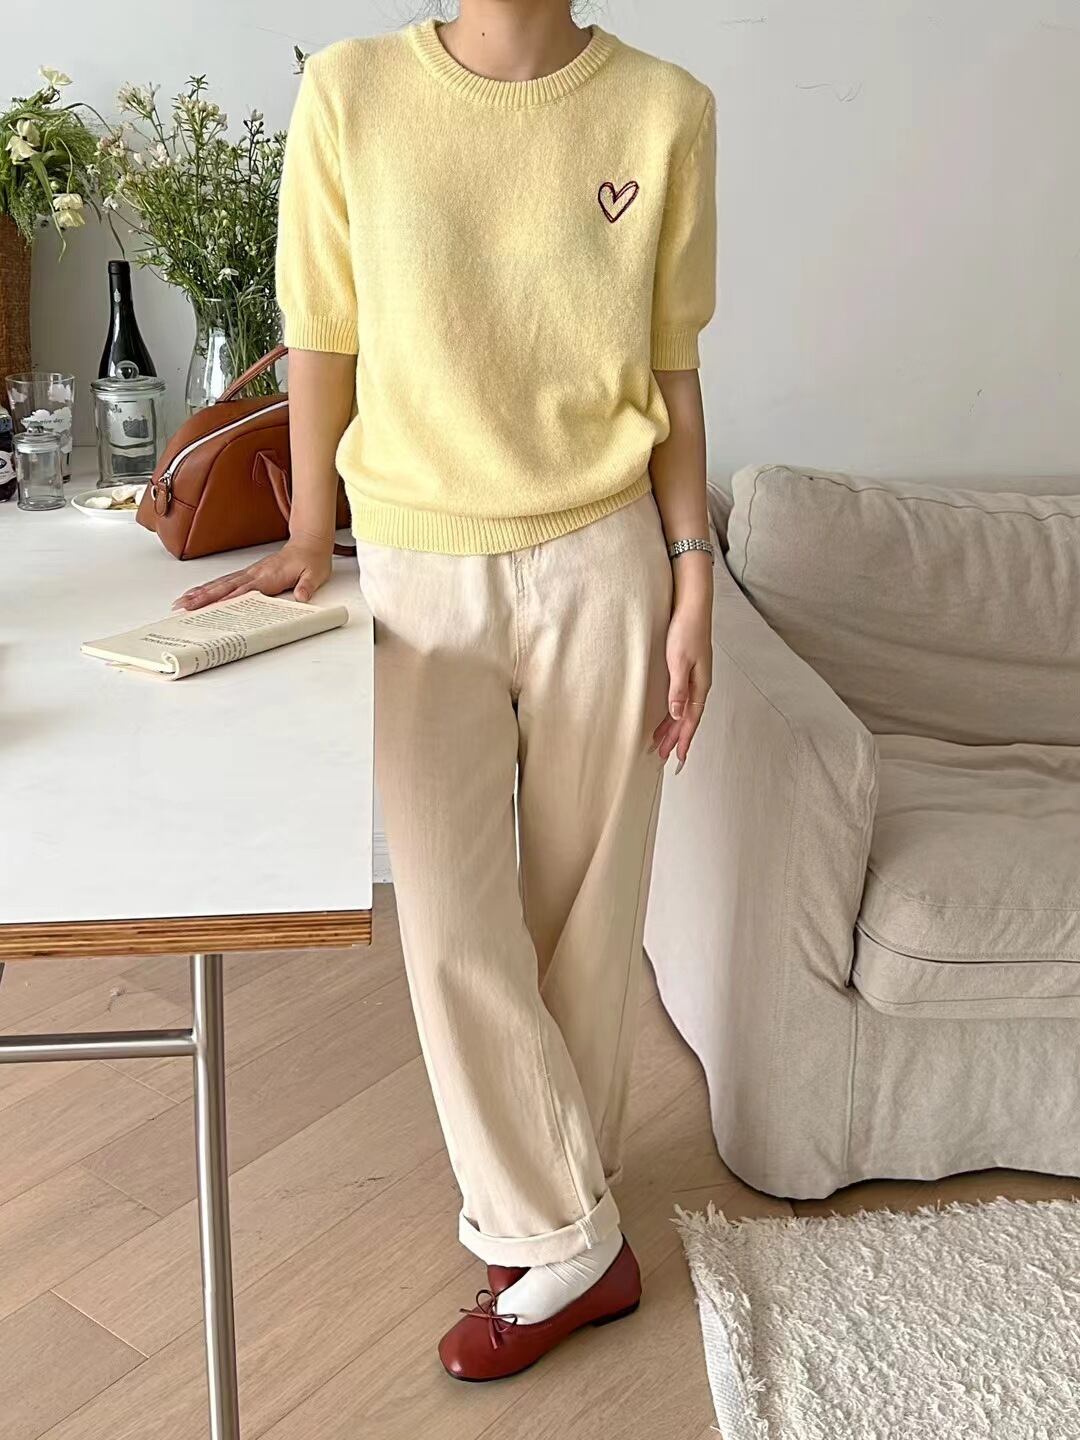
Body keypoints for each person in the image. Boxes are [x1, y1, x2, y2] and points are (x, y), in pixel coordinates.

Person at [173, 0, 716, 1382]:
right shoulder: (354, 94)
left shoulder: (665, 108)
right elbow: (322, 330)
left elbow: (670, 364)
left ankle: (549, 1226)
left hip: (606, 557)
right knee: (451, 923)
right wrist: (309, 534)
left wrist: (694, 569)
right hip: (418, 568)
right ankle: (575, 1241)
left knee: (588, 909)